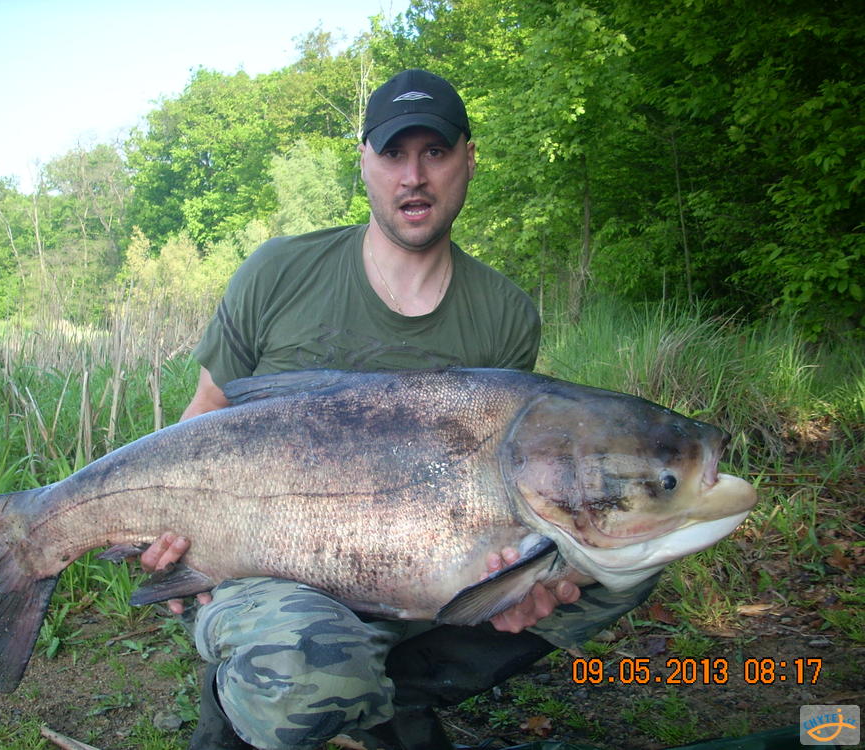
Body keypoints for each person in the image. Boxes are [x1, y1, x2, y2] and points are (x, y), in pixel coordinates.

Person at [141, 69, 657, 750]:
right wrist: (162, 523)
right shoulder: (278, 272)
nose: (413, 175)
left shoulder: (503, 314)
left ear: (468, 158)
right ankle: (268, 687)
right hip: (266, 565)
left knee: (628, 552)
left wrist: (536, 569)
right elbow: (203, 414)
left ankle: (390, 696)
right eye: (393, 154)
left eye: (435, 153)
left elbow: (501, 479)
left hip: (420, 556)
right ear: (365, 164)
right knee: (309, 680)